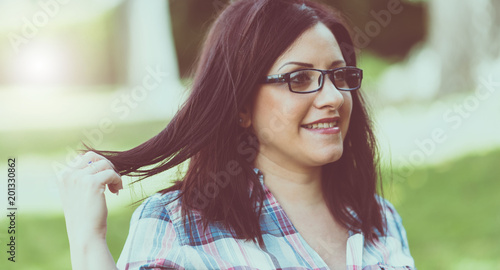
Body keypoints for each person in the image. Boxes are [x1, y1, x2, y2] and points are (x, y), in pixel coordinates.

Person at [57, 0, 416, 269]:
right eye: (300, 78)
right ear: (241, 106)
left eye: (339, 76)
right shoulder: (176, 226)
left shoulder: (379, 218)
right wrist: (88, 244)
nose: (334, 98)